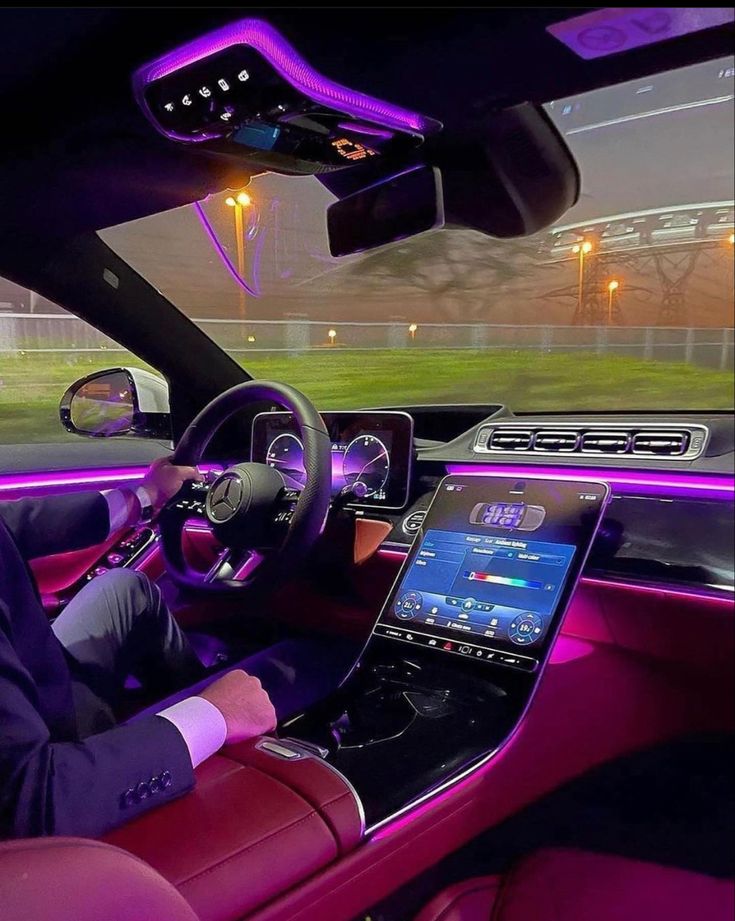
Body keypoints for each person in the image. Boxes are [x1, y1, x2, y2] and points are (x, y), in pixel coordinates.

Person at [0, 457, 278, 840]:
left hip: (33, 678)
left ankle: (189, 697)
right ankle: (218, 748)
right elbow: (35, 800)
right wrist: (214, 715)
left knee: (126, 589)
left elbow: (13, 524)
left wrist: (144, 497)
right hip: (49, 753)